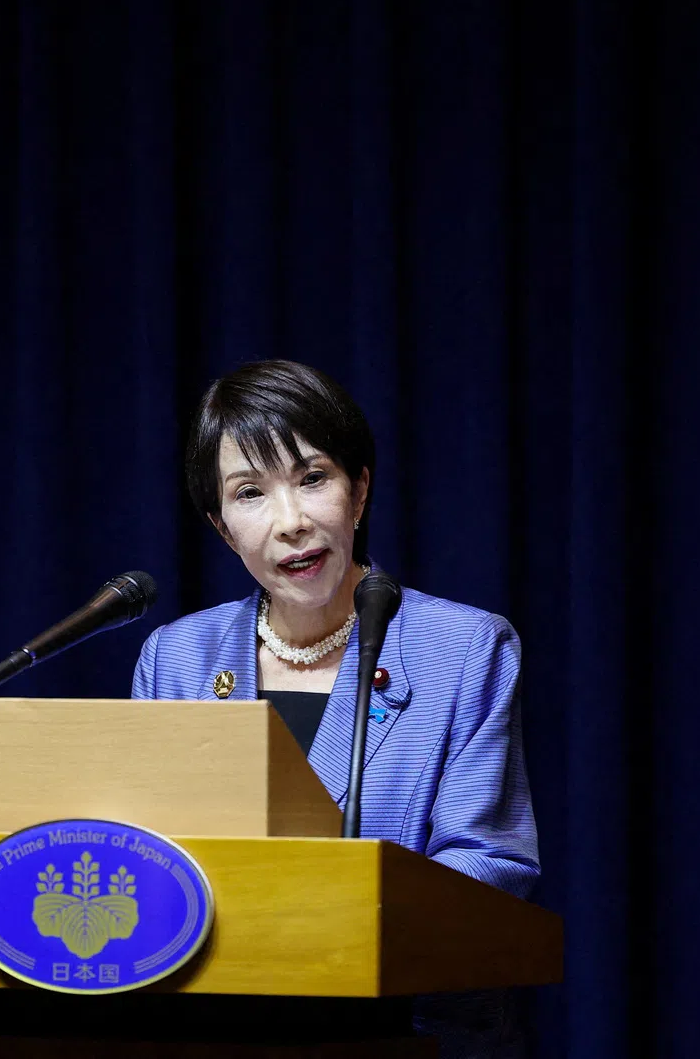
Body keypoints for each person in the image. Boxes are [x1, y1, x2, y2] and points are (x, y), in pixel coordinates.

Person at [132, 359, 539, 1057]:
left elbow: (491, 868)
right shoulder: (176, 660)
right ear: (223, 528)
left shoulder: (465, 648)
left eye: (313, 478)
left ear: (358, 493)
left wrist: (340, 917)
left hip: (400, 1031)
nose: (290, 522)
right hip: (205, 1032)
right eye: (250, 492)